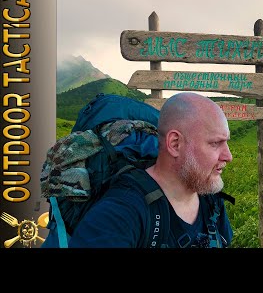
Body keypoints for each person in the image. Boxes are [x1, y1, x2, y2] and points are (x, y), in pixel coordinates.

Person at [42, 92, 234, 248]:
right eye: (215, 143)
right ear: (175, 144)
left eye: (226, 142)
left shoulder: (210, 200)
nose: (228, 156)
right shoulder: (120, 214)